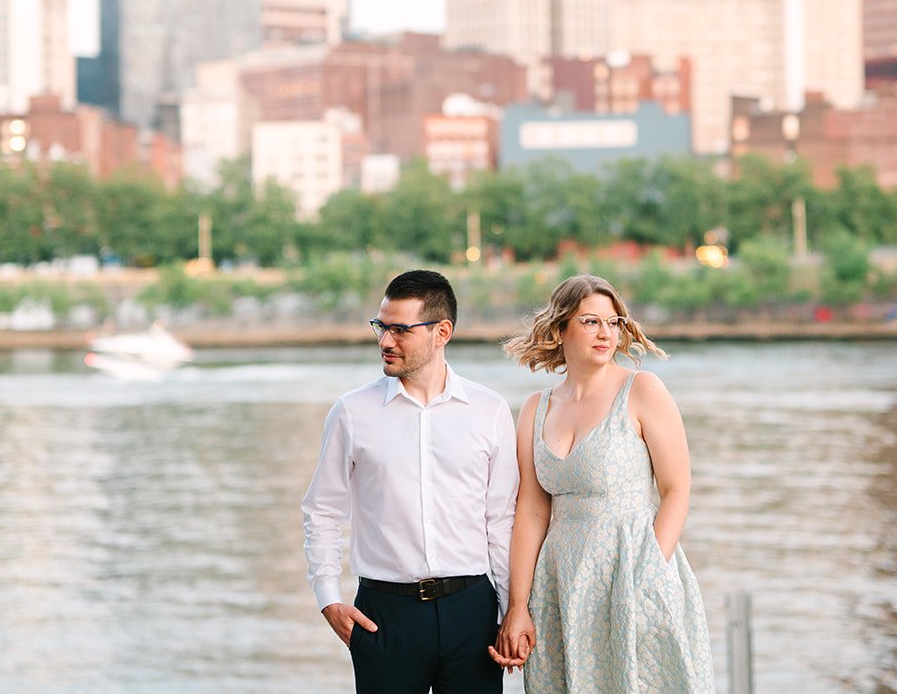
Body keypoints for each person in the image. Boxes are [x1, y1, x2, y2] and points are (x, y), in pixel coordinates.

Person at [490, 274, 713, 693]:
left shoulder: (643, 389)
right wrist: (518, 606)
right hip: (561, 583)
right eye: (590, 322)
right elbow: (532, 510)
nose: (605, 333)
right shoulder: (535, 408)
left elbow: (677, 490)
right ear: (560, 329)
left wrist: (650, 573)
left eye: (614, 323)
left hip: (634, 570)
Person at [302, 269, 520, 694]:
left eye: (400, 330)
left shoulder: (489, 411)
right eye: (381, 327)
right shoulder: (351, 412)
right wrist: (328, 597)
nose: (385, 341)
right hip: (385, 616)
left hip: (472, 610)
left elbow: (502, 520)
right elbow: (322, 510)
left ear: (442, 332)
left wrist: (513, 609)